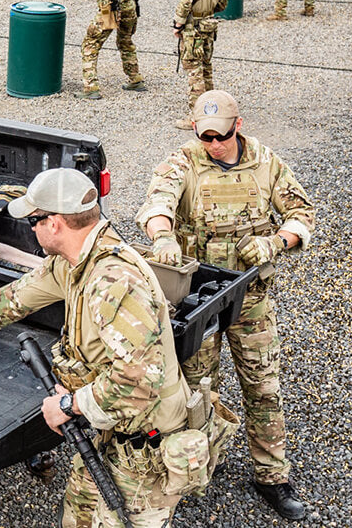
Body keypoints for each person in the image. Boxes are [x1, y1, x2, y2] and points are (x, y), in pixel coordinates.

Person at [0, 167, 197, 527]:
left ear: (54, 224)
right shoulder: (74, 262)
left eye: (34, 221)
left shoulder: (114, 282)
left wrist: (68, 405)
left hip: (143, 450)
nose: (31, 229)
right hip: (107, 430)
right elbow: (18, 297)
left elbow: (140, 381)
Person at [137, 90, 317, 521]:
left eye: (220, 135)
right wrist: (161, 235)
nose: (213, 144)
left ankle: (272, 477)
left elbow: (302, 213)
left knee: (263, 388)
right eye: (205, 137)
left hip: (250, 300)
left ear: (238, 126)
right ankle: (198, 469)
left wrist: (277, 241)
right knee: (197, 390)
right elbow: (157, 202)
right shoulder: (184, 160)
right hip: (201, 302)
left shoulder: (265, 161)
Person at [171, 0, 231, 130]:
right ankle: (213, 110)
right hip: (208, 25)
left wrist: (178, 24)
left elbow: (185, 0)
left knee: (194, 72)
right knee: (206, 68)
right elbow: (223, 4)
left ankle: (196, 117)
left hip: (192, 27)